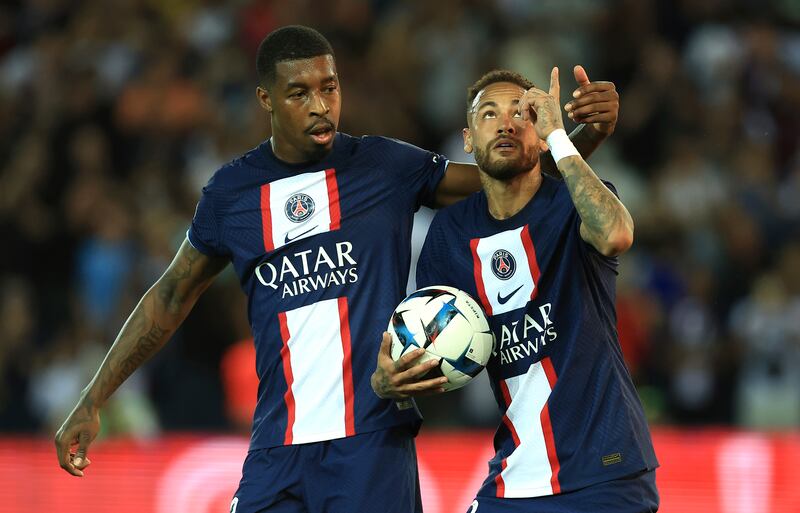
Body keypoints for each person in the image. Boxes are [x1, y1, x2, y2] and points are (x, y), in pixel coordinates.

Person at [54, 25, 620, 513]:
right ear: (266, 99)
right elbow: (171, 295)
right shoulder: (230, 194)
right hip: (277, 447)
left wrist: (582, 136)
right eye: (299, 93)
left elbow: (509, 185)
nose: (320, 105)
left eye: (329, 88)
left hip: (372, 445)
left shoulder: (386, 165)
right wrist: (94, 397)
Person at [374, 67, 659, 512]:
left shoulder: (573, 201)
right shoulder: (449, 234)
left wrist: (562, 139)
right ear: (467, 138)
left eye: (521, 113)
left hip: (605, 469)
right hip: (514, 475)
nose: (505, 122)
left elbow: (615, 235)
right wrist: (393, 380)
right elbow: (430, 347)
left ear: (541, 133)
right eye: (489, 113)